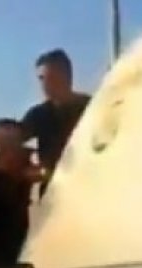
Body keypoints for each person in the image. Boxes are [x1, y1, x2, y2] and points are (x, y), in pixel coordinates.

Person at [21, 49, 91, 195]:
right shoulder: (38, 115)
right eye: (41, 79)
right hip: (53, 195)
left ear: (67, 76)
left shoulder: (91, 107)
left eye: (51, 78)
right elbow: (14, 138)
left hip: (87, 190)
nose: (44, 85)